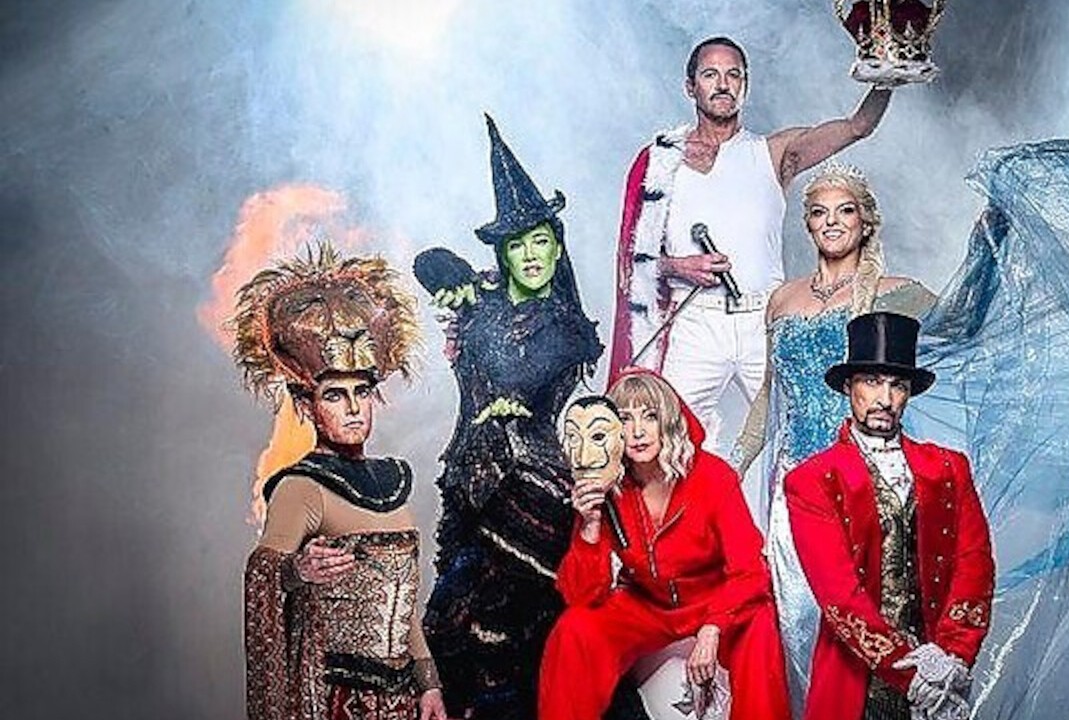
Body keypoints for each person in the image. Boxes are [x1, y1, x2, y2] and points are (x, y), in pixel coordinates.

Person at [608, 35, 895, 459]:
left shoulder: (774, 153)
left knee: (803, 434)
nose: (723, 84)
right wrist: (677, 266)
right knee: (665, 443)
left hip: (764, 319)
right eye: (710, 75)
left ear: (745, 84)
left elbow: (858, 126)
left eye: (733, 75)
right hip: (694, 324)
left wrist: (888, 75)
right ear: (690, 87)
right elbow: (633, 259)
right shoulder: (662, 163)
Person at [413, 116, 606, 720]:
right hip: (468, 485)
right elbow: (426, 263)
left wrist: (472, 306)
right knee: (451, 631)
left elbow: (520, 374)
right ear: (502, 252)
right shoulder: (483, 302)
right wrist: (453, 277)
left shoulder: (568, 328)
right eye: (517, 245)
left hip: (530, 492)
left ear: (556, 246)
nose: (530, 256)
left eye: (539, 242)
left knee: (510, 636)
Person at [727, 163, 934, 712]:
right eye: (820, 213)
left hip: (863, 483)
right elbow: (770, 393)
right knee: (797, 623)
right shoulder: (782, 300)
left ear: (866, 222)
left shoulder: (898, 293)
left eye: (845, 211)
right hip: (793, 487)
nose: (832, 222)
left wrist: (992, 252)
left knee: (862, 625)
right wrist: (734, 465)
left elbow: (960, 331)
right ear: (808, 224)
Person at [234, 244, 447, 720]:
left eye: (361, 392)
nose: (352, 408)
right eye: (334, 395)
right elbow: (261, 577)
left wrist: (428, 682)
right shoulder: (301, 488)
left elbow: (404, 603)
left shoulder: (393, 482)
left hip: (399, 699)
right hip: (333, 700)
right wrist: (296, 571)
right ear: (308, 406)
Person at [539, 369, 792, 720]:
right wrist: (590, 527)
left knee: (760, 626)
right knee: (575, 629)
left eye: (650, 416)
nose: (638, 431)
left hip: (715, 600)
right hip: (649, 605)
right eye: (625, 419)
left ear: (669, 421)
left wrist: (713, 626)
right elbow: (582, 594)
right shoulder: (609, 485)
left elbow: (750, 571)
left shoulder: (713, 476)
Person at [784, 312, 995, 720]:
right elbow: (838, 594)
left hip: (939, 669)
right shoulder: (811, 480)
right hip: (856, 677)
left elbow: (975, 565)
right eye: (871, 382)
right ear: (848, 387)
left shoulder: (949, 467)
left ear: (908, 394)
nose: (885, 398)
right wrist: (910, 675)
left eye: (897, 385)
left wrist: (952, 658)